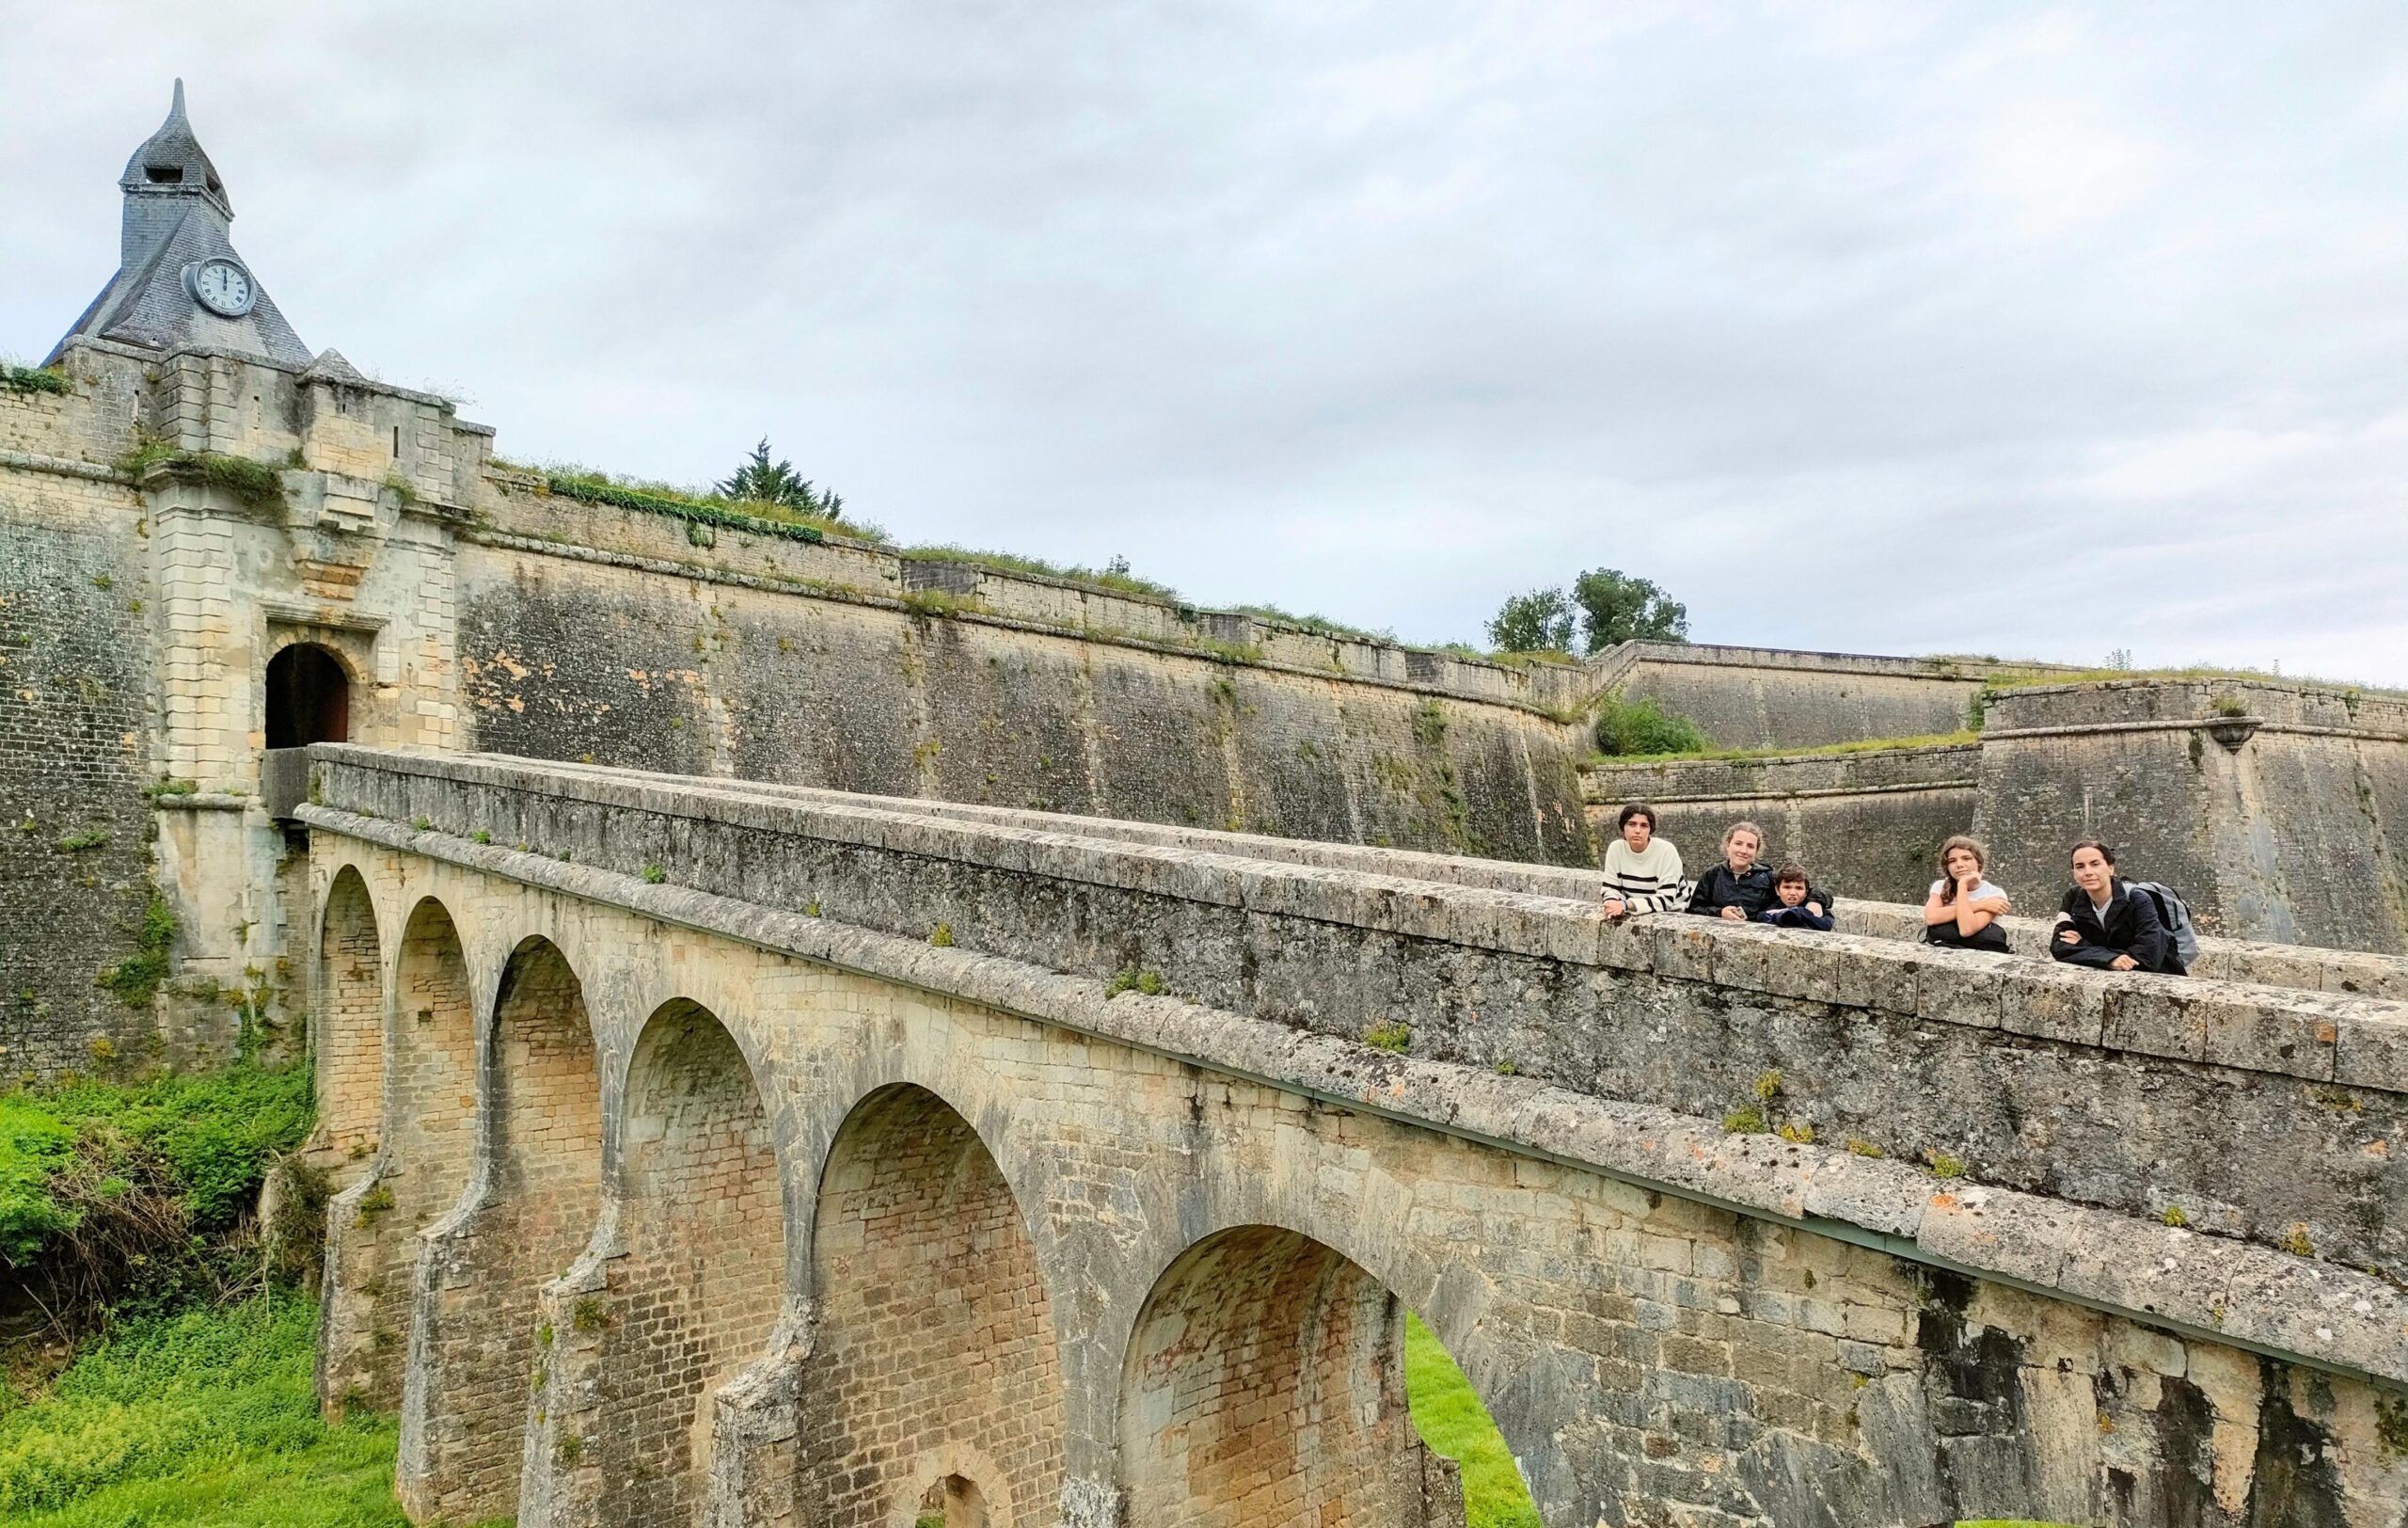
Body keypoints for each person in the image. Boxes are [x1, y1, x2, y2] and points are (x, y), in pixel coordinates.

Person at [2052, 839, 2185, 974]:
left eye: (2095, 864)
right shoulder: (2072, 898)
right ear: (2074, 873)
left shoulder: (2138, 900)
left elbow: (2147, 959)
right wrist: (2110, 959)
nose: (2088, 872)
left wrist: (2083, 946)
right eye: (2080, 866)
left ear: (2110, 868)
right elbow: (2059, 947)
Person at [1600, 803, 1690, 920]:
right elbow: (1610, 888)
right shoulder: (1615, 849)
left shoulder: (1666, 851)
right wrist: (1612, 903)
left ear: (1650, 829)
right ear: (1623, 827)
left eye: (1644, 826)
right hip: (1635, 911)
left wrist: (1625, 905)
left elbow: (1666, 900)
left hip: (1676, 914)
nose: (1637, 830)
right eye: (1632, 824)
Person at [1922, 835, 2011, 951]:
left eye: (1966, 858)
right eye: (1952, 861)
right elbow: (1932, 917)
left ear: (1978, 862)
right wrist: (1981, 904)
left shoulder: (1995, 894)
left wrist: (1962, 887)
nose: (1959, 864)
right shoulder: (1940, 886)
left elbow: (1967, 930)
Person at [1689, 820, 1776, 921]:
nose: (1744, 851)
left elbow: (1777, 910)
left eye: (1750, 846)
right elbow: (1694, 910)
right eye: (1738, 844)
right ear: (1728, 845)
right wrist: (1720, 912)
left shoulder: (1767, 877)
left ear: (1756, 851)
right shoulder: (1712, 875)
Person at [1757, 864, 1835, 931]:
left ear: (1806, 892)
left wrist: (1801, 913)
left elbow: (1826, 924)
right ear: (1777, 890)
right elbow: (1762, 916)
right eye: (1787, 887)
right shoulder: (1771, 907)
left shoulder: (1815, 908)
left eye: (1799, 888)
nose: (1792, 893)